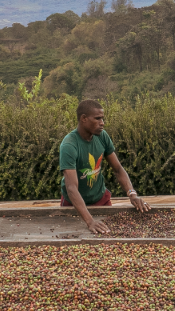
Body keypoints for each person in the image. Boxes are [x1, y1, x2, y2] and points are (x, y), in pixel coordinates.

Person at [59, 99, 150, 234]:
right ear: (84, 119)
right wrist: (89, 221)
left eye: (103, 118)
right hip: (74, 206)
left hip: (100, 199)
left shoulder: (102, 136)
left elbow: (118, 169)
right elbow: (71, 188)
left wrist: (132, 194)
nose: (102, 123)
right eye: (98, 119)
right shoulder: (69, 145)